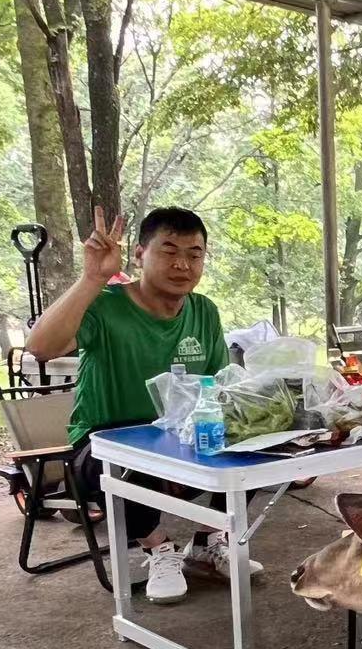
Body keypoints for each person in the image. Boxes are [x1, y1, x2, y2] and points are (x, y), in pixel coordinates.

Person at [26, 207, 262, 603]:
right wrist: (91, 278)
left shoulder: (204, 310)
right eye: (168, 251)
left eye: (194, 253)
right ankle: (158, 548)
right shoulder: (104, 305)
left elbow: (222, 386)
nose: (183, 264)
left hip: (178, 438)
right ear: (139, 256)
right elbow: (40, 347)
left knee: (256, 450)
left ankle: (207, 542)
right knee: (124, 466)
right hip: (104, 442)